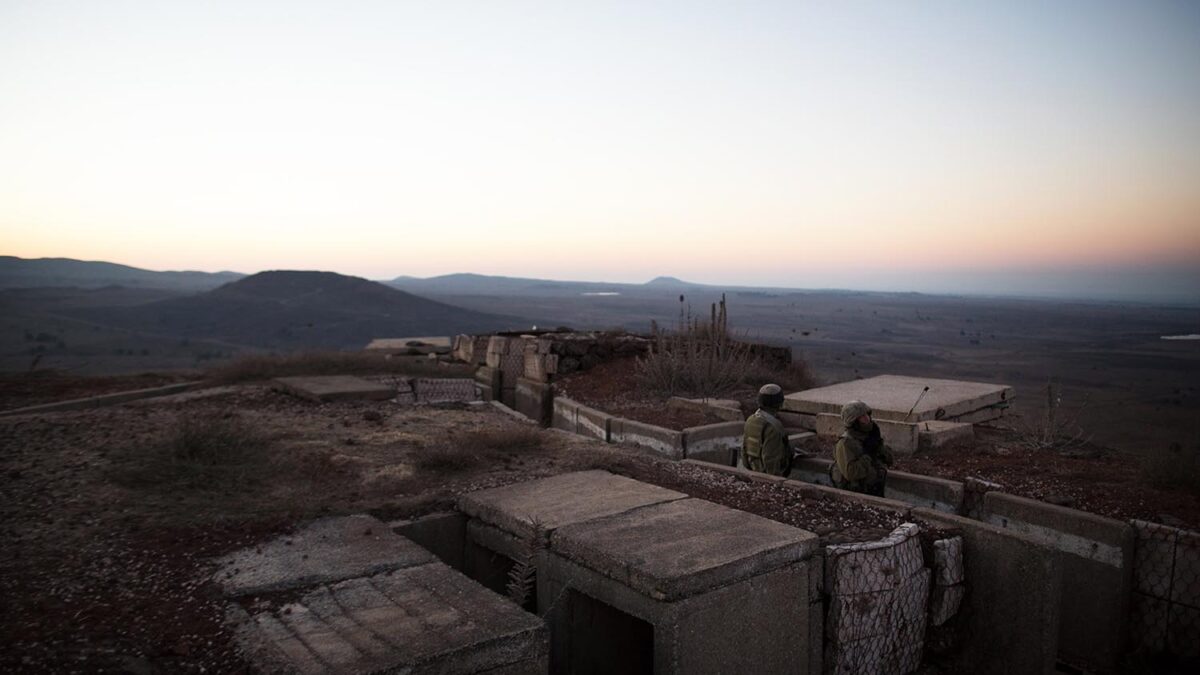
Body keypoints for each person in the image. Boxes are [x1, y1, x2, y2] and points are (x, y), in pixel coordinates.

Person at [831, 400, 894, 496]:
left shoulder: (871, 436)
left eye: (867, 415)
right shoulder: (845, 443)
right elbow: (851, 473)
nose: (867, 419)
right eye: (862, 417)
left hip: (874, 487)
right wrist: (868, 454)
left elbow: (890, 461)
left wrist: (880, 448)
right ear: (853, 421)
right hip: (856, 493)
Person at [742, 383, 793, 476]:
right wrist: (775, 481)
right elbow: (770, 459)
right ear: (779, 404)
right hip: (766, 478)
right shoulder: (774, 427)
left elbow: (744, 450)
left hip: (752, 471)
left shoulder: (750, 420)